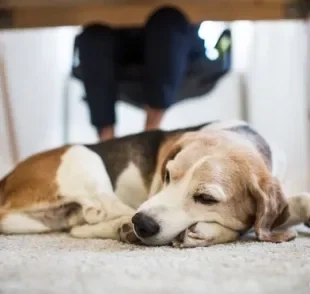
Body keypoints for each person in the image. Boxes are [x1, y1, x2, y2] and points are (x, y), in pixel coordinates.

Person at [76, 6, 231, 141]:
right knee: (93, 37)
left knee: (167, 20)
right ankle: (107, 144)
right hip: (119, 45)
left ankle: (150, 137)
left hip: (176, 47)